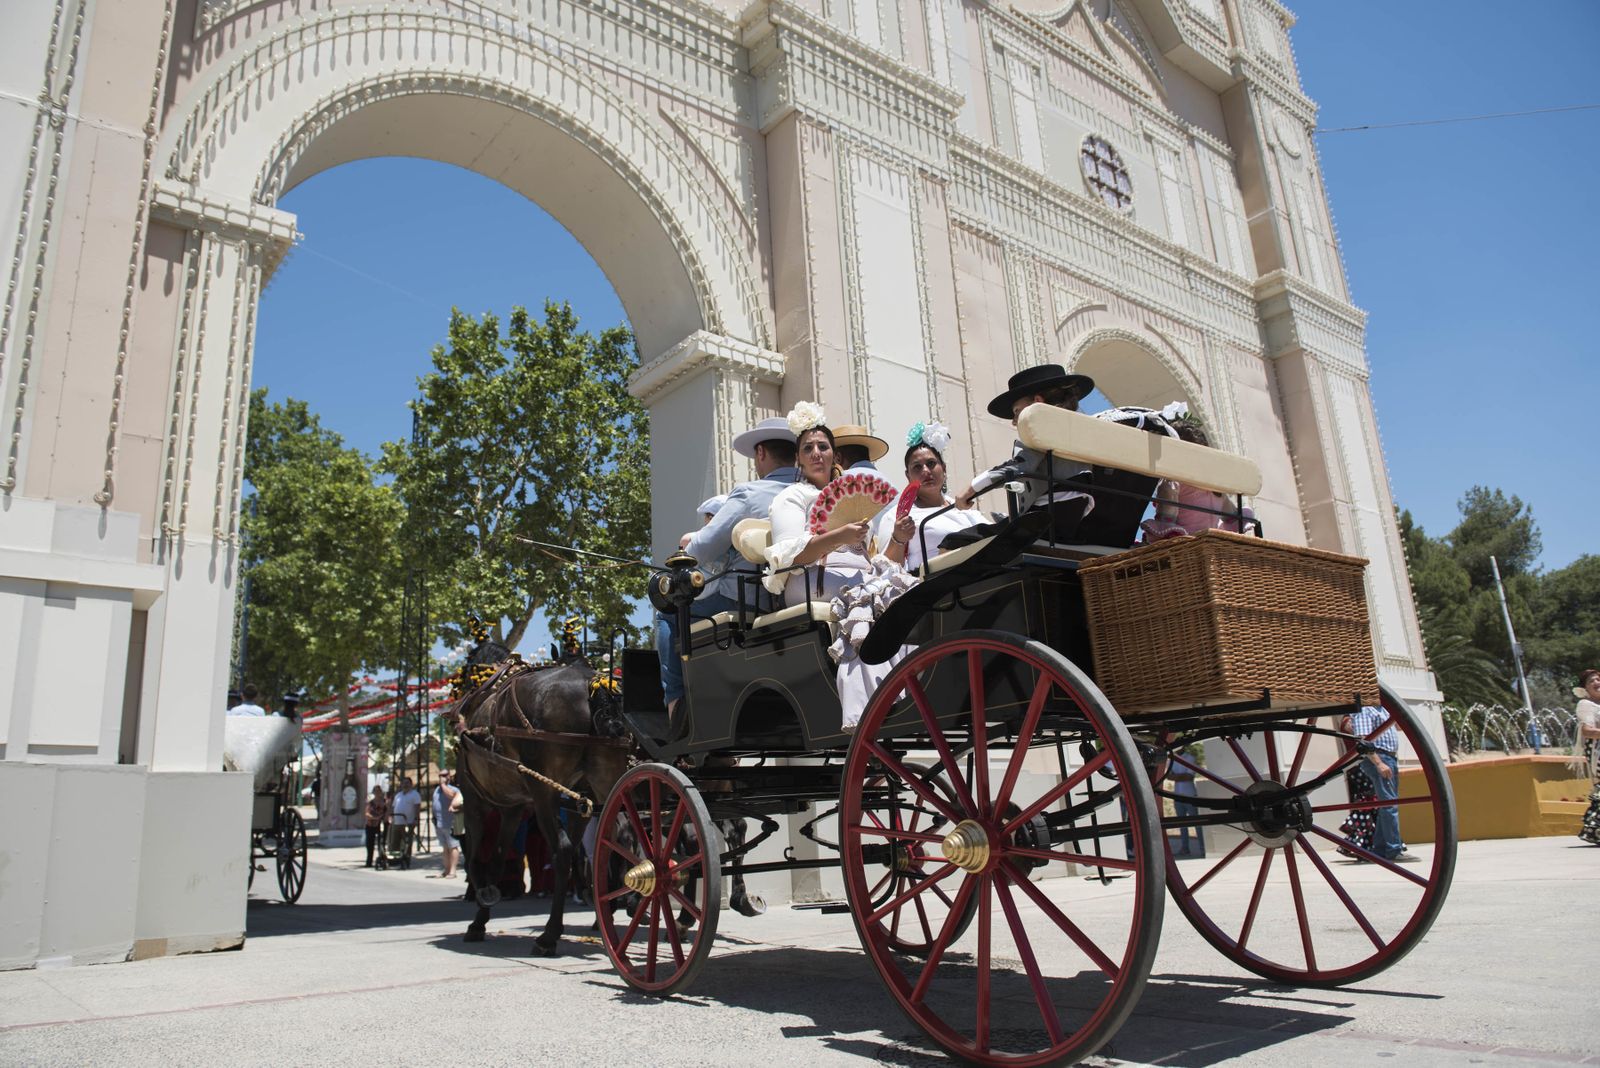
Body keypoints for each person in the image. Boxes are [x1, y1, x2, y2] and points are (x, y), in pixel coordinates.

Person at [763, 403, 909, 729]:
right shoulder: (792, 497)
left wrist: (898, 538)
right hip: (809, 580)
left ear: (835, 454)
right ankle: (870, 704)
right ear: (798, 458)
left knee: (904, 593)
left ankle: (907, 685)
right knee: (865, 599)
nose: (817, 453)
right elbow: (791, 558)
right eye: (808, 448)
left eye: (823, 446)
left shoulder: (851, 494)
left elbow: (878, 559)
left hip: (862, 577)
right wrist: (838, 535)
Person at [657, 416, 799, 717]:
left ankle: (675, 703)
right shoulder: (809, 491)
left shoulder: (750, 494)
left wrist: (686, 547)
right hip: (793, 597)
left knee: (667, 611)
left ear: (761, 452)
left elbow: (703, 547)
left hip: (746, 600)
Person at [951, 364, 1097, 542]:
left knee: (953, 541)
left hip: (1045, 519)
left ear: (1037, 402)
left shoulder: (1043, 428)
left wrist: (972, 488)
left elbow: (1021, 466)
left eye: (1016, 411)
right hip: (1081, 518)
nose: (1013, 421)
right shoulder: (1084, 429)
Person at [874, 421, 987, 572]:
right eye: (917, 467)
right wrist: (898, 539)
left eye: (931, 463)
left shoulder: (965, 509)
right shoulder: (896, 517)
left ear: (944, 469)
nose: (926, 471)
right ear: (908, 476)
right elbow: (886, 571)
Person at [1141, 404, 1253, 538]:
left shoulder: (1213, 486)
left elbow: (1231, 515)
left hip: (1201, 542)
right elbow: (1167, 512)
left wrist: (1236, 519)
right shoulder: (1176, 482)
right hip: (1189, 541)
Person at [1348, 705, 1414, 862]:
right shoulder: (1366, 709)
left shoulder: (1384, 709)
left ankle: (1379, 851)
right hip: (1380, 757)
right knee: (1390, 805)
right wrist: (1378, 763)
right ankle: (1393, 850)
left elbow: (1399, 727)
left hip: (1389, 757)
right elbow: (1363, 740)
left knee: (1388, 804)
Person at [1335, 713, 1377, 858]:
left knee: (1369, 807)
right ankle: (1360, 845)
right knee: (1366, 806)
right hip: (1359, 766)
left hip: (1358, 766)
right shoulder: (1349, 721)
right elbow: (1361, 738)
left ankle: (1364, 844)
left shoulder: (1348, 721)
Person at [1573, 668, 1600, 845]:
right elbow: (1587, 731)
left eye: (1598, 679)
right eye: (1592, 681)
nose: (1597, 682)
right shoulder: (1586, 705)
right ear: (1585, 688)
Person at [431, 771, 463, 877]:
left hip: (450, 823)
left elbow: (452, 796)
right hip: (439, 823)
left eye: (444, 775)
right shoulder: (437, 789)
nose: (442, 777)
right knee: (445, 848)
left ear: (449, 776)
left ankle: (453, 871)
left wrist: (443, 785)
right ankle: (446, 870)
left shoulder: (454, 789)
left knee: (453, 847)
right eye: (440, 775)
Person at [389, 776, 422, 861]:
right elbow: (393, 807)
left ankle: (406, 859)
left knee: (406, 842)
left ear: (411, 784)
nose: (405, 785)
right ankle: (395, 859)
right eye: (403, 783)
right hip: (397, 822)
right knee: (395, 842)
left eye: (407, 783)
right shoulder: (398, 795)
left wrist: (416, 819)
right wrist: (391, 817)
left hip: (408, 822)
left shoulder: (415, 794)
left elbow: (417, 807)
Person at [364, 785, 387, 868]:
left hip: (380, 825)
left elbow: (387, 812)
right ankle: (369, 862)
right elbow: (367, 813)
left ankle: (382, 860)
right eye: (375, 791)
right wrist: (375, 818)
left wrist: (382, 818)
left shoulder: (384, 802)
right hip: (370, 825)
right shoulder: (371, 803)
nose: (377, 792)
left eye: (378, 791)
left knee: (381, 844)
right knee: (369, 844)